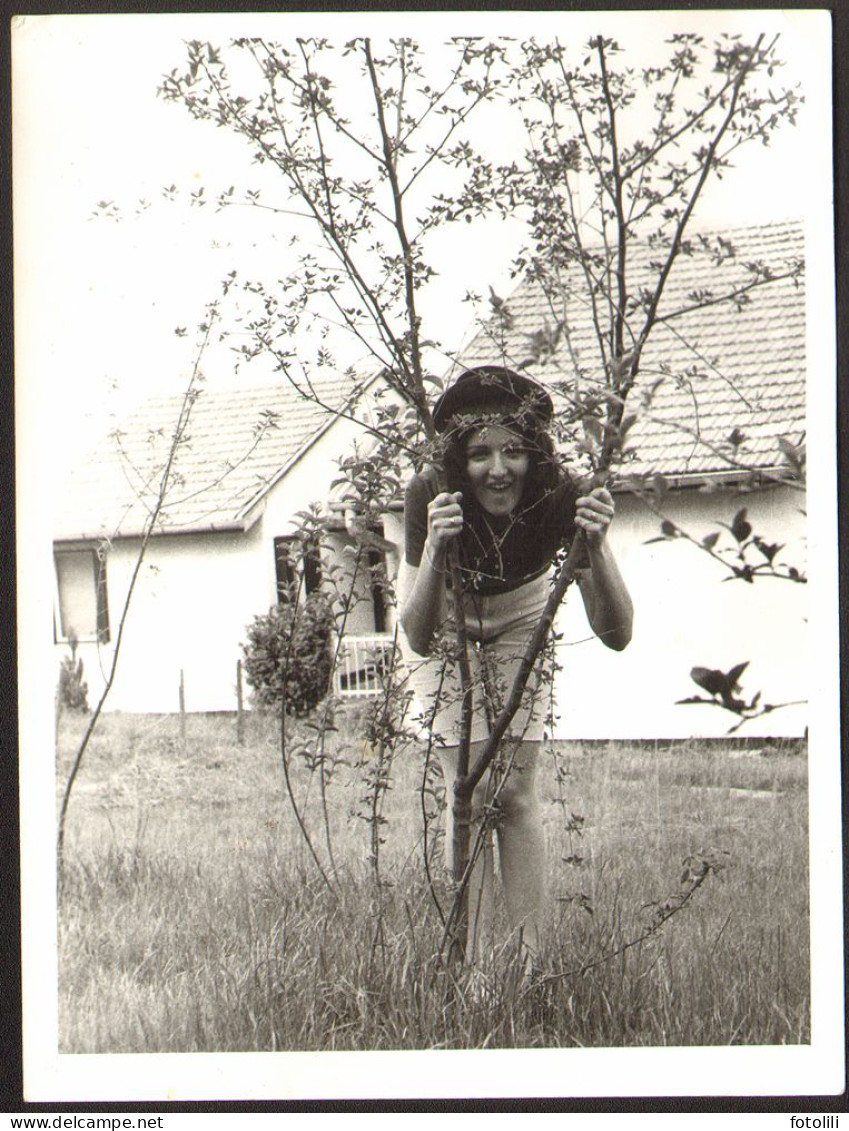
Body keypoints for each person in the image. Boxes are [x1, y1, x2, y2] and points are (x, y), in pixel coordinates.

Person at [397, 365, 633, 962]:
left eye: (514, 451)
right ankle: (474, 966)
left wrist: (595, 549)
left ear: (536, 453)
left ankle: (527, 965)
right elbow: (419, 636)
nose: (498, 469)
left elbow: (618, 634)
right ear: (457, 459)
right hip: (444, 604)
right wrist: (433, 552)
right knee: (468, 793)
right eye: (479, 454)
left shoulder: (562, 494)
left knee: (517, 792)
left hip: (525, 607)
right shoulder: (429, 492)